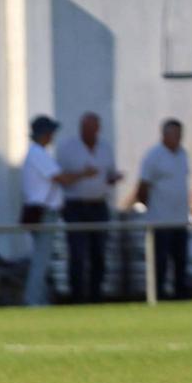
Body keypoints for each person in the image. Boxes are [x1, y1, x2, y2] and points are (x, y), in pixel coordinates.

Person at [20, 115, 96, 306]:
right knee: (41, 259)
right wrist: (84, 174)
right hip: (43, 212)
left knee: (43, 259)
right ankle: (33, 301)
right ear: (44, 134)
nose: (53, 136)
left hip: (43, 212)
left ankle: (39, 298)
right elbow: (62, 178)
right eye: (51, 132)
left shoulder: (38, 153)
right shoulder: (38, 154)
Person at [56, 112, 122, 303]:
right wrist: (83, 174)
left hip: (99, 205)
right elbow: (61, 178)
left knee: (99, 253)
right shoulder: (68, 148)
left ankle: (96, 295)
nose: (89, 132)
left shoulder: (106, 148)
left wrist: (112, 178)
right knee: (77, 253)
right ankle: (76, 296)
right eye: (86, 128)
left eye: (92, 128)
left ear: (98, 129)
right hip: (75, 206)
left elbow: (108, 174)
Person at [135, 118, 191, 300]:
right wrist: (151, 208)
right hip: (160, 220)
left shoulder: (183, 154)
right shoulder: (153, 156)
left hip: (180, 220)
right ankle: (157, 296)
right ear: (164, 135)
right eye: (174, 134)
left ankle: (180, 295)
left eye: (179, 134)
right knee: (160, 262)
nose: (178, 138)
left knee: (181, 261)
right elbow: (142, 187)